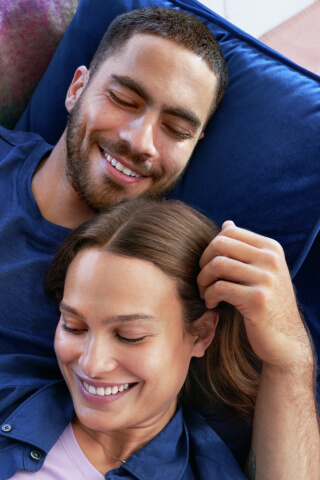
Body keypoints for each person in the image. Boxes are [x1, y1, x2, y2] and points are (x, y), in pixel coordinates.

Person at [0, 6, 317, 477]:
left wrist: (289, 356)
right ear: (76, 87)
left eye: (176, 129)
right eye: (124, 99)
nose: (140, 139)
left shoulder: (187, 285)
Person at [1, 199, 318, 479]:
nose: (91, 364)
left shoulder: (211, 470)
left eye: (130, 336)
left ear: (201, 334)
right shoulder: (8, 393)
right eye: (73, 326)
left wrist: (290, 359)